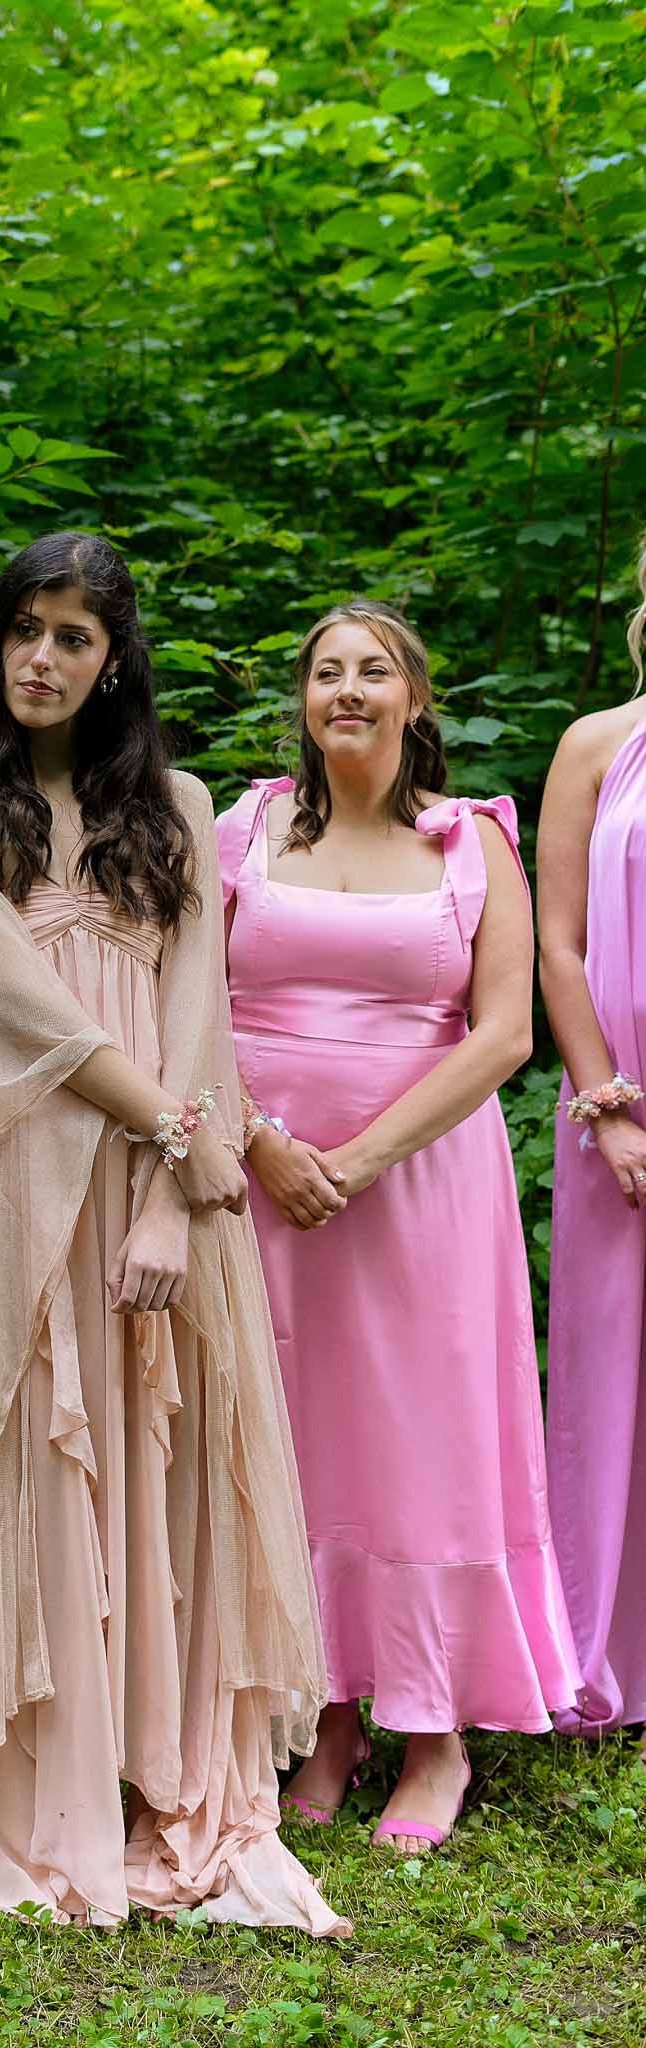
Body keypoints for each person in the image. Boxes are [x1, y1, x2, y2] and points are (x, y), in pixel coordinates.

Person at [0, 531, 346, 1933]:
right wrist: (178, 1138)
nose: (41, 658)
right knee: (23, 1459)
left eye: (73, 636)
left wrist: (166, 1189)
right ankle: (37, 1792)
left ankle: (162, 1777)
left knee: (159, 1462)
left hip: (153, 1191)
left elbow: (195, 1009)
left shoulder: (183, 807)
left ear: (113, 658)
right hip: (3, 1175)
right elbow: (15, 1011)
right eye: (23, 628)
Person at [216, 599, 581, 1856]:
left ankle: (435, 1730)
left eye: (373, 670)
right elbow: (183, 1001)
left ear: (414, 700)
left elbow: (504, 1033)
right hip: (261, 1175)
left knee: (420, 1435)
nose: (348, 690)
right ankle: (324, 1711)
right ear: (303, 704)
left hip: (415, 1181)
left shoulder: (470, 840)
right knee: (295, 1429)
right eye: (325, 672)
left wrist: (360, 1157)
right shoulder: (243, 826)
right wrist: (260, 1139)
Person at [538, 538, 646, 1745]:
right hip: (614, 1116)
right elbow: (555, 940)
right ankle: (598, 1662)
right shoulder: (593, 744)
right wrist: (604, 1102)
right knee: (607, 1389)